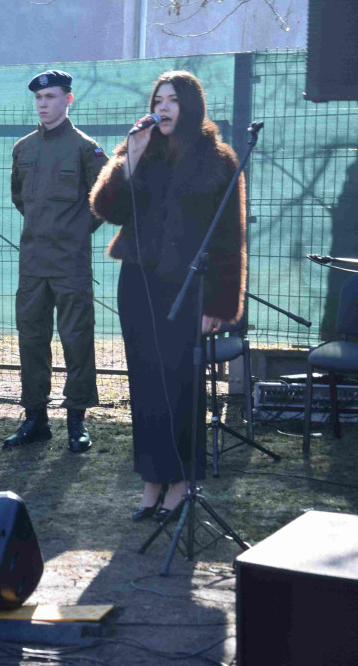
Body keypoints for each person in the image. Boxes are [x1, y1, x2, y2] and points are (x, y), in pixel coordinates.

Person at [90, 71, 246, 520]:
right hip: (138, 280)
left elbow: (228, 237)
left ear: (190, 105)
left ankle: (179, 483)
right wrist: (129, 161)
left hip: (187, 287)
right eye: (159, 98)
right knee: (144, 381)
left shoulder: (218, 160)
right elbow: (105, 208)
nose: (164, 107)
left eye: (173, 100)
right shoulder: (142, 150)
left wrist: (218, 307)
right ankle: (150, 482)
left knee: (180, 382)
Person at [3, 70, 107, 454]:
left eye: (50, 96)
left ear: (68, 100)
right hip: (33, 261)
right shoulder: (24, 148)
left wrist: (75, 232)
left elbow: (103, 200)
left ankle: (77, 419)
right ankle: (35, 419)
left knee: (76, 339)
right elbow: (20, 199)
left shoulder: (86, 149)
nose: (43, 104)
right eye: (39, 98)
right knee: (31, 340)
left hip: (70, 263)